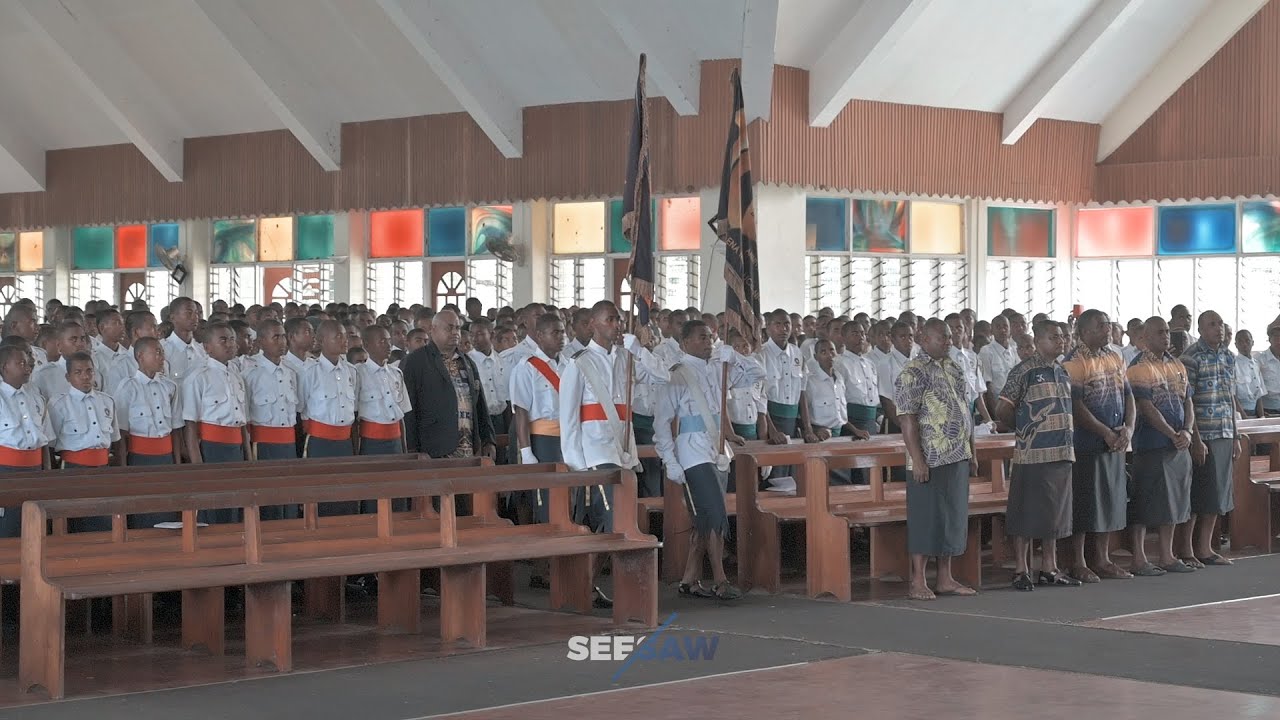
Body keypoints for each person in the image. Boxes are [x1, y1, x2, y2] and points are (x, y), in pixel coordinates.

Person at [559, 301, 668, 608]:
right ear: (593, 324)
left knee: (618, 522)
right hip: (594, 453)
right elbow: (568, 418)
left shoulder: (626, 358)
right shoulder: (578, 362)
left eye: (619, 320)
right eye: (610, 319)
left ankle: (588, 586)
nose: (617, 325)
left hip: (622, 448)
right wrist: (577, 465)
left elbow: (662, 377)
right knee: (611, 519)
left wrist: (638, 350)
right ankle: (586, 586)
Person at [655, 319, 763, 601]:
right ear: (685, 343)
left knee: (704, 518)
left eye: (710, 337)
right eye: (702, 337)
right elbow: (662, 422)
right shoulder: (676, 374)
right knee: (715, 513)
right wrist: (669, 459)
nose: (708, 342)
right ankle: (720, 579)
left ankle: (689, 580)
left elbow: (757, 374)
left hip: (717, 448)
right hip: (691, 451)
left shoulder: (719, 367)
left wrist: (735, 355)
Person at [896, 319, 978, 601]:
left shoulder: (953, 368)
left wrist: (972, 450)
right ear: (924, 338)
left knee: (951, 517)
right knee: (925, 518)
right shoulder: (913, 371)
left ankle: (945, 578)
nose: (948, 341)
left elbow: (965, 411)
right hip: (930, 456)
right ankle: (917, 580)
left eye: (950, 337)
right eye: (942, 337)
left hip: (957, 453)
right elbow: (907, 418)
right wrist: (917, 460)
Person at [996, 321, 1080, 591]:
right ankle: (1021, 569)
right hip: (1033, 454)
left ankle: (1049, 567)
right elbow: (1003, 409)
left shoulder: (1062, 371)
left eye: (1063, 337)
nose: (1061, 341)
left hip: (1062, 451)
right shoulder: (1024, 371)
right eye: (1054, 337)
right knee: (1026, 512)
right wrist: (1025, 430)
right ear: (1039, 340)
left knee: (1054, 514)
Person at [1061, 309, 1134, 583]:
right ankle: (1078, 561)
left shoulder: (1115, 356)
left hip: (1115, 440)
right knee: (1084, 500)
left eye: (1109, 324)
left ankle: (1103, 559)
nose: (1109, 329)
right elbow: (1075, 405)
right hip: (1086, 442)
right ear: (1087, 330)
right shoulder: (1074, 361)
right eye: (1103, 325)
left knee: (1110, 499)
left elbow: (1128, 395)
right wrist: (1104, 432)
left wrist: (1128, 428)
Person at [1127, 317, 1196, 576]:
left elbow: (1188, 401)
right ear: (1144, 337)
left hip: (1178, 442)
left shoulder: (1176, 364)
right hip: (1151, 443)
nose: (1165, 336)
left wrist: (1187, 431)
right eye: (1159, 332)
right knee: (1146, 499)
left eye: (1167, 331)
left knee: (1175, 499)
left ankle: (1167, 555)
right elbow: (1145, 407)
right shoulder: (1139, 367)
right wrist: (1171, 433)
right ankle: (1139, 557)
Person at [509, 312, 567, 587]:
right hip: (542, 439)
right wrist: (526, 451)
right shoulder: (527, 366)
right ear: (540, 336)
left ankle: (558, 563)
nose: (561, 337)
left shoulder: (568, 365)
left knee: (565, 503)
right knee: (545, 506)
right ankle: (541, 569)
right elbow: (521, 411)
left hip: (566, 439)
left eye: (563, 332)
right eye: (555, 332)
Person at [1179, 310, 1239, 567]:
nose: (1219, 329)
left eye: (1221, 324)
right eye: (1212, 325)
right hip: (1203, 432)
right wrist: (1195, 438)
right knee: (1197, 493)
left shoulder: (1228, 357)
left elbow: (1229, 397)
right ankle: (1186, 549)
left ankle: (1206, 548)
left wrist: (1235, 435)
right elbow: (1186, 399)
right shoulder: (1191, 357)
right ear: (1201, 330)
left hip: (1224, 430)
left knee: (1217, 493)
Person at [403, 309, 497, 461]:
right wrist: (413, 449)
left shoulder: (467, 362)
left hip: (468, 448)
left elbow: (480, 404)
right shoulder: (416, 361)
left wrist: (488, 440)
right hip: (433, 449)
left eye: (458, 328)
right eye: (449, 328)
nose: (455, 332)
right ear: (433, 330)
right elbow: (408, 408)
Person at [182, 322, 251, 523]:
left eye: (231, 339)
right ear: (207, 347)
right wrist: (198, 466)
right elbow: (190, 426)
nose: (230, 344)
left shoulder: (237, 376)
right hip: (212, 449)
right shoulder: (198, 377)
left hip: (235, 448)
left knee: (235, 501)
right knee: (213, 503)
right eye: (223, 340)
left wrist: (247, 457)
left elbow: (242, 423)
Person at [113, 337, 183, 528]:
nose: (162, 357)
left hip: (165, 457)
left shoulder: (169, 387)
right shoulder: (128, 388)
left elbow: (176, 430)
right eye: (157, 352)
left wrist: (176, 463)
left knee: (166, 507)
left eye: (162, 351)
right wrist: (125, 467)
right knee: (144, 507)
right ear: (140, 356)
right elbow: (122, 433)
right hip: (140, 458)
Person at [49, 352, 121, 532]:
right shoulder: (59, 404)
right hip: (73, 470)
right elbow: (50, 445)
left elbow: (115, 441)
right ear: (68, 377)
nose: (85, 376)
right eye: (78, 372)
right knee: (77, 520)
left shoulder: (107, 401)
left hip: (102, 469)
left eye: (89, 371)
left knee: (104, 520)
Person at [299, 320, 358, 515]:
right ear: (322, 341)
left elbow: (354, 407)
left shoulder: (351, 371)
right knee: (320, 493)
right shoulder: (310, 371)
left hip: (345, 442)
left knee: (345, 493)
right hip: (320, 442)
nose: (344, 340)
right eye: (338, 336)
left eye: (345, 335)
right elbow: (301, 407)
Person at [0, 344, 52, 536]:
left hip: (35, 471)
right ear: (5, 367)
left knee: (34, 527)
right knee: (8, 528)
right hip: (6, 472)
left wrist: (47, 473)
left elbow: (44, 440)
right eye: (20, 363)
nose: (27, 367)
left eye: (28, 363)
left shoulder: (35, 397)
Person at [806, 338, 869, 484]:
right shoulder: (811, 382)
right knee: (826, 483)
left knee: (844, 482)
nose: (829, 355)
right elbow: (802, 414)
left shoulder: (839, 379)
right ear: (816, 357)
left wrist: (855, 430)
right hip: (821, 440)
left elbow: (840, 415)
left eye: (832, 350)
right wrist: (815, 429)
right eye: (823, 352)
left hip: (839, 438)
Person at [355, 324, 410, 457]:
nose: (388, 345)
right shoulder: (358, 373)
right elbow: (354, 416)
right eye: (382, 341)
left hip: (395, 439)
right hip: (370, 441)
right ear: (367, 345)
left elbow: (401, 414)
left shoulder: (396, 373)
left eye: (389, 341)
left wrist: (404, 447)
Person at [467, 319, 510, 443]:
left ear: (491, 335)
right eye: (471, 334)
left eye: (480, 334)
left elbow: (506, 397)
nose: (474, 338)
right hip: (479, 420)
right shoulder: (468, 362)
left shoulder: (501, 360)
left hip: (500, 418)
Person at [30, 321, 88, 402]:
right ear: (59, 346)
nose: (80, 344)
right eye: (73, 340)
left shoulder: (94, 373)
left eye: (82, 339)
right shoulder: (44, 376)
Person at [877, 321, 914, 433]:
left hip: (917, 421)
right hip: (896, 422)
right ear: (892, 339)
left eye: (910, 336)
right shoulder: (885, 363)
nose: (908, 340)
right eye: (902, 337)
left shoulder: (917, 362)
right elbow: (886, 400)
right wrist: (903, 425)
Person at [979, 315, 1018, 419]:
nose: (1002, 330)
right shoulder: (986, 351)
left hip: (1018, 406)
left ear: (1010, 329)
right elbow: (988, 387)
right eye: (998, 327)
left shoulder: (1016, 350)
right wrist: (996, 416)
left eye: (1005, 326)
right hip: (999, 406)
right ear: (992, 330)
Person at [164, 297, 206, 384]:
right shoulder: (163, 350)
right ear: (173, 317)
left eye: (196, 313)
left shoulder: (202, 350)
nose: (195, 317)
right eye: (189, 313)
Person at [92, 307, 130, 394]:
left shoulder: (127, 355)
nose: (122, 327)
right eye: (116, 323)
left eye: (122, 323)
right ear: (102, 327)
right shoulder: (95, 358)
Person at [1235, 330, 1266, 418]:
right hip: (1240, 415)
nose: (1244, 344)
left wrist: (1261, 417)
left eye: (1247, 341)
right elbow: (1233, 396)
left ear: (1252, 342)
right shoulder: (1233, 364)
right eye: (1240, 341)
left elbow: (1259, 394)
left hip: (1255, 413)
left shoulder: (1256, 364)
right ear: (1236, 345)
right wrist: (1244, 418)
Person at [1257, 322, 1280, 417]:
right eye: (1276, 337)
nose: (1279, 340)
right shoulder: (1260, 359)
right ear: (1270, 339)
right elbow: (1256, 387)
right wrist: (1260, 411)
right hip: (1267, 410)